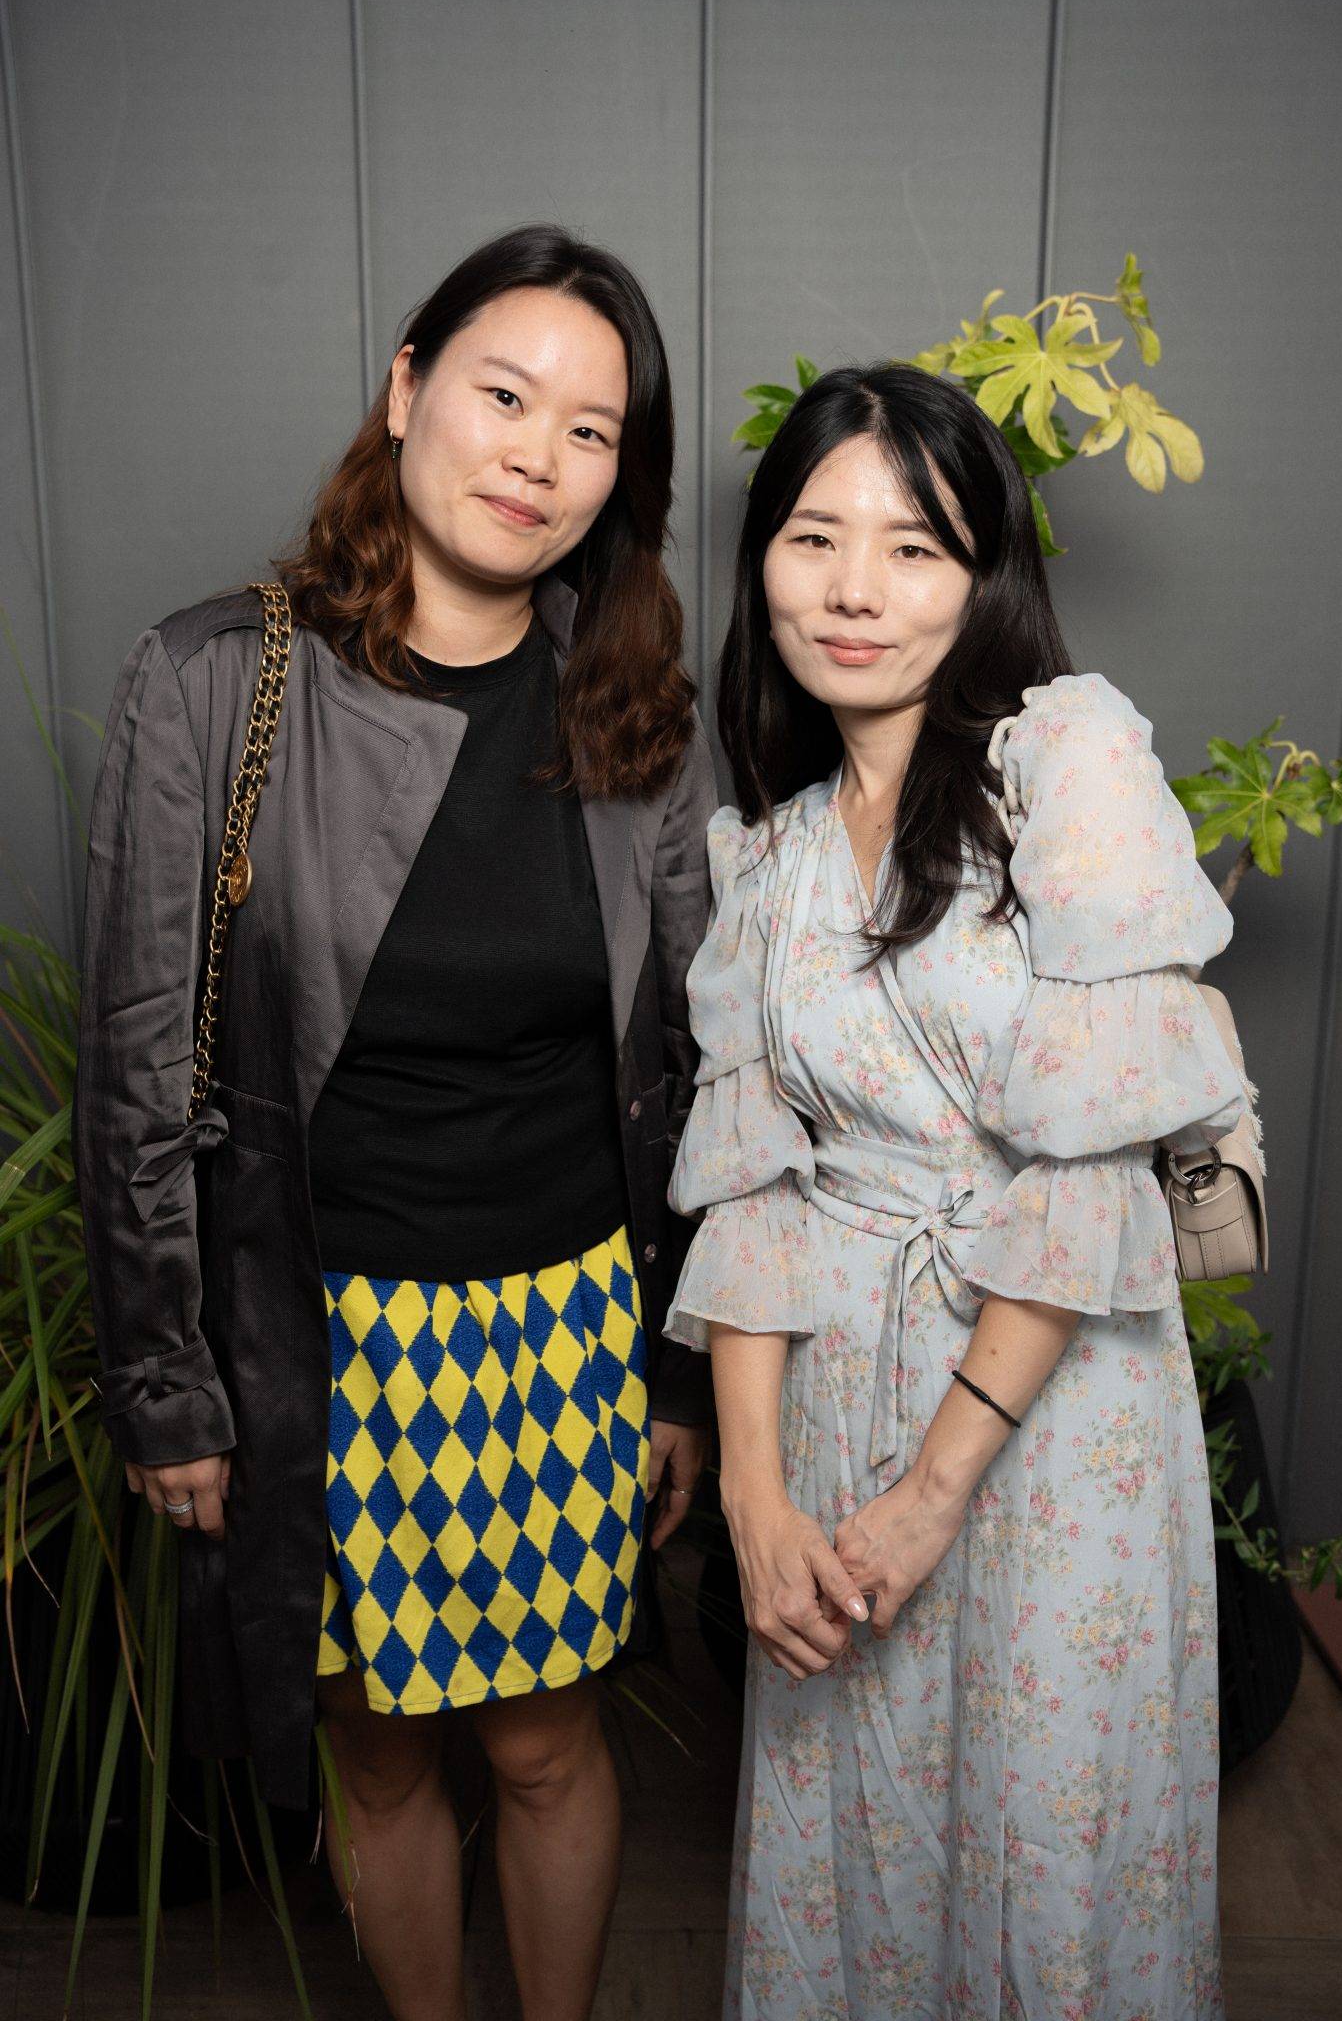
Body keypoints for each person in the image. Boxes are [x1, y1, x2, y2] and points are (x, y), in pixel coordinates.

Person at [74, 223, 715, 2021]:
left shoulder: (636, 711)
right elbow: (136, 1065)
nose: (536, 456)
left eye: (589, 431)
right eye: (504, 396)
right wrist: (167, 1383)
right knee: (374, 1753)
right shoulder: (216, 678)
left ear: (619, 480)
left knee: (546, 1745)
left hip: (565, 1327)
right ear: (407, 389)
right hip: (322, 1336)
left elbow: (701, 1073)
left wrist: (677, 1367)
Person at [665, 364, 1247, 2019]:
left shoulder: (1065, 765)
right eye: (813, 538)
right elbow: (752, 1195)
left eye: (912, 547)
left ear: (982, 574)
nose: (854, 589)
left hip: (1048, 1420)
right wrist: (757, 1506)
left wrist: (932, 1493)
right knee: (854, 1835)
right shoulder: (765, 855)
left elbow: (1089, 1169)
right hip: (836, 1400)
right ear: (761, 564)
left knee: (1047, 1852)